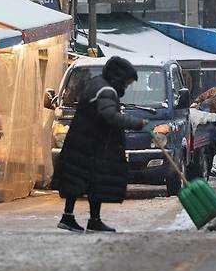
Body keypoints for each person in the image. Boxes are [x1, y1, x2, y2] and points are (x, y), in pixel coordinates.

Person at [51, 56, 148, 233]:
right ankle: (92, 220)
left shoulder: (97, 83)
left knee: (79, 179)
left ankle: (69, 217)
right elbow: (109, 115)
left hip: (82, 141)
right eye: (127, 82)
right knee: (95, 182)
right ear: (118, 77)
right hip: (93, 145)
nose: (126, 86)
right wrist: (136, 123)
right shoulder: (106, 90)